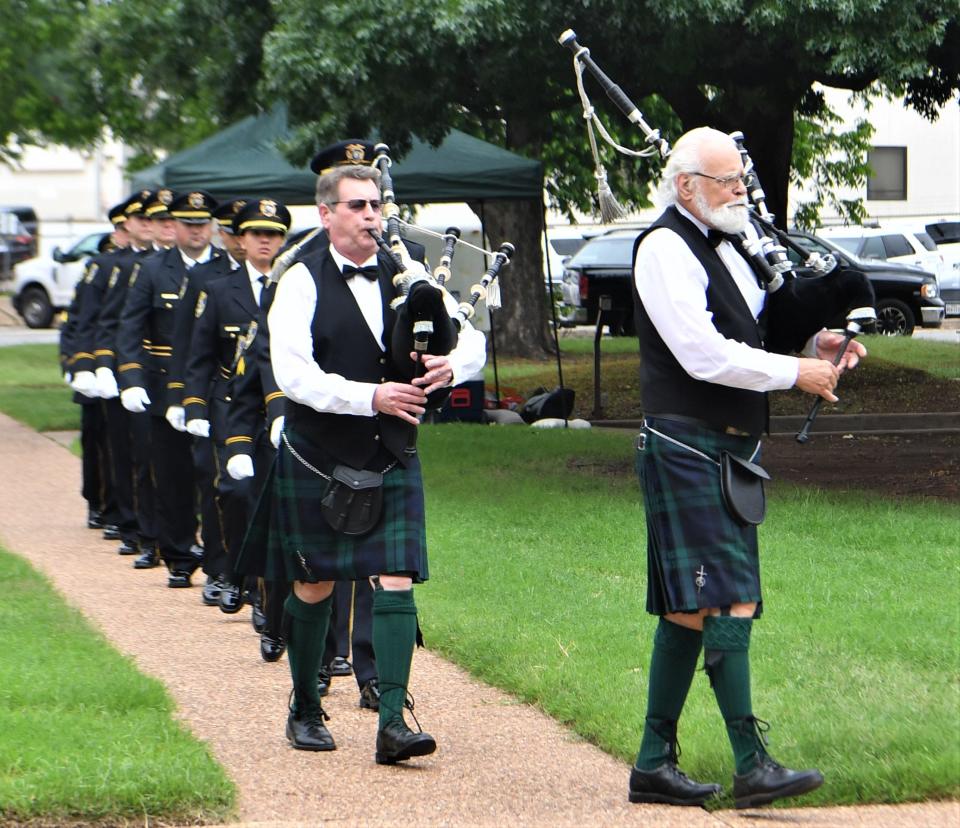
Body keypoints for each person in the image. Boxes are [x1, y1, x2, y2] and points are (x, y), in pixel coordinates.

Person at [628, 127, 866, 809]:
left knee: (686, 611)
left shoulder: (725, 245)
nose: (740, 191)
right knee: (727, 598)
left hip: (728, 444)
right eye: (727, 181)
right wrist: (797, 372)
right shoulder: (665, 248)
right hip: (685, 442)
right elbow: (702, 353)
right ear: (686, 187)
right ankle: (752, 763)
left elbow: (747, 337)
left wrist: (814, 345)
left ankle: (652, 764)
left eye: (740, 178)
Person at [252, 139, 485, 761]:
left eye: (376, 205)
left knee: (398, 580)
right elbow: (294, 374)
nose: (371, 216)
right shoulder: (300, 280)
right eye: (357, 206)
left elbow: (474, 341)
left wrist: (451, 367)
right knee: (314, 584)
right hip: (320, 453)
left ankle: (392, 721)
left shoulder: (410, 277)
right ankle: (305, 706)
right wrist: (372, 396)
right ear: (326, 212)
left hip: (390, 453)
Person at [184, 198, 289, 611]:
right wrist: (193, 405)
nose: (265, 241)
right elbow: (199, 356)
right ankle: (231, 571)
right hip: (231, 406)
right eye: (257, 234)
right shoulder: (218, 290)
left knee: (275, 500)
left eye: (273, 234)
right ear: (240, 239)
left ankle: (265, 592)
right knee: (234, 493)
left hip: (281, 407)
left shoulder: (292, 287)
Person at [117, 189, 219, 587]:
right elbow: (131, 326)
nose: (196, 231)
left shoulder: (224, 269)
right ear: (173, 226)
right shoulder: (153, 269)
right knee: (172, 474)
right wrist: (130, 376)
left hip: (214, 386)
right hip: (165, 385)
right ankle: (178, 554)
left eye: (202, 224)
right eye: (188, 224)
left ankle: (217, 560)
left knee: (211, 476)